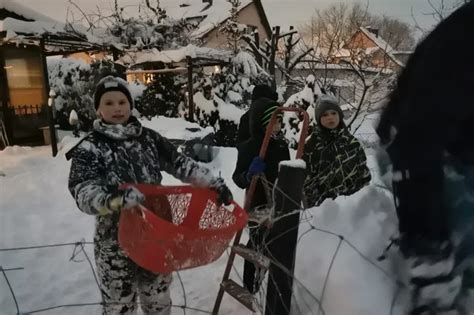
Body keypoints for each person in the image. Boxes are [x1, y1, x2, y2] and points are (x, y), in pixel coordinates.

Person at [67, 75, 233, 315]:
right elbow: (82, 188)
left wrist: (213, 183)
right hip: (115, 240)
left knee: (158, 299)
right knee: (118, 305)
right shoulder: (90, 147)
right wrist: (110, 200)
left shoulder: (149, 139)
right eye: (109, 103)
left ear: (130, 106)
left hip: (157, 234)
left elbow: (181, 164)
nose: (116, 108)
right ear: (98, 110)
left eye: (122, 102)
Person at [376, 2, 474, 313]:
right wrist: (428, 250)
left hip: (453, 143)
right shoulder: (463, 42)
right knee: (451, 261)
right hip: (420, 149)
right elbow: (415, 138)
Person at [232, 97, 289, 293]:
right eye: (272, 121)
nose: (277, 125)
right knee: (257, 245)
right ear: (262, 122)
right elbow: (237, 178)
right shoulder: (250, 146)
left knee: (276, 246)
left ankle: (271, 285)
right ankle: (251, 286)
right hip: (257, 204)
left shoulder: (282, 146)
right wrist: (249, 175)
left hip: (278, 203)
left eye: (280, 121)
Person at [303, 95, 371, 207]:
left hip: (354, 206)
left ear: (339, 115)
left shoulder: (352, 142)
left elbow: (363, 174)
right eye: (325, 114)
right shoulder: (311, 146)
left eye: (334, 113)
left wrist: (363, 200)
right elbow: (307, 185)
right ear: (319, 118)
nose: (330, 117)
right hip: (326, 210)